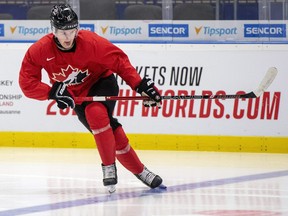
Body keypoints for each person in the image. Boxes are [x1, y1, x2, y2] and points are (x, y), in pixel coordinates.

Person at [19, 4, 163, 193]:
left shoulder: (91, 42)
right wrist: (51, 92)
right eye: (62, 32)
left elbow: (119, 62)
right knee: (110, 129)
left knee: (96, 114)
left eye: (72, 31)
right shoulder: (39, 50)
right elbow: (26, 83)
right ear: (53, 30)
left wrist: (140, 86)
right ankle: (141, 171)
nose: (68, 37)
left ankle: (108, 167)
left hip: (101, 83)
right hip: (76, 96)